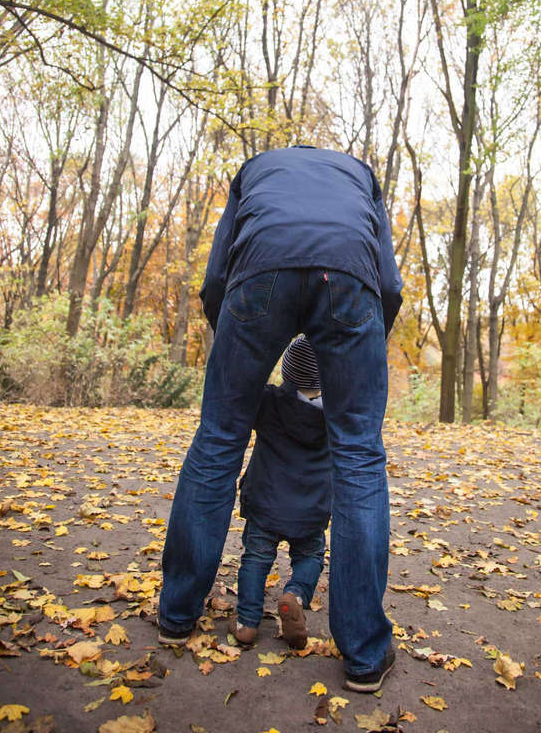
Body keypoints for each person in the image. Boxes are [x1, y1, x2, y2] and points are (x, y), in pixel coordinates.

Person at [158, 144, 403, 693]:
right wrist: (363, 344)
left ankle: (176, 616)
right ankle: (364, 654)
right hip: (350, 279)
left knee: (219, 439)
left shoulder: (256, 169)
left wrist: (235, 339)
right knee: (360, 455)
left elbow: (218, 273)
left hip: (259, 272)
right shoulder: (362, 174)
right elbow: (387, 283)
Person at [229, 334, 331, 651]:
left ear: (286, 371)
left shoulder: (269, 402)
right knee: (310, 556)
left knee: (256, 559)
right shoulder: (335, 415)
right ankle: (296, 595)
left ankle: (247, 622)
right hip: (311, 508)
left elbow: (247, 386)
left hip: (265, 502)